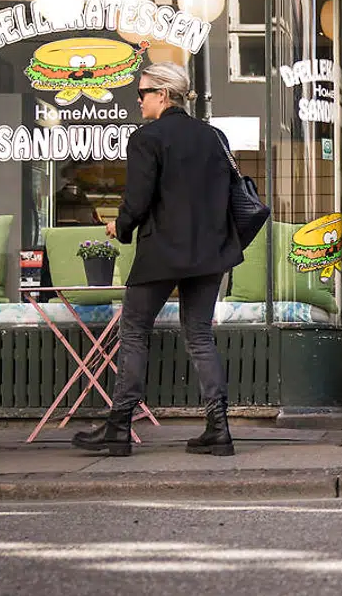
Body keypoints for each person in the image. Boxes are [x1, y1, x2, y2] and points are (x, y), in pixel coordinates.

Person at [71, 62, 244, 457]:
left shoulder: (147, 138)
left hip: (161, 252)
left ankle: (118, 427)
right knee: (200, 336)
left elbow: (138, 198)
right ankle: (219, 429)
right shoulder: (214, 137)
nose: (139, 99)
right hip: (209, 252)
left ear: (163, 94)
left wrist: (121, 225)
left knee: (133, 333)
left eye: (143, 92)